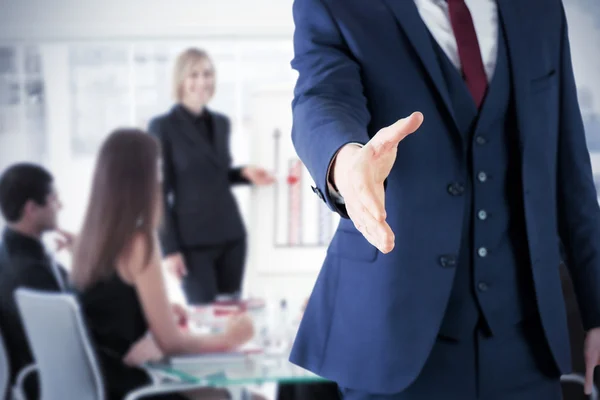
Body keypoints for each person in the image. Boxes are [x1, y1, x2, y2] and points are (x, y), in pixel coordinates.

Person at [289, 0, 600, 399]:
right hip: (393, 339)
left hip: (526, 347)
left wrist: (596, 311)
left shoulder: (539, 8)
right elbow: (321, 99)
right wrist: (345, 163)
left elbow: (570, 168)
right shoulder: (335, 5)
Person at [71, 129, 255, 400]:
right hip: (135, 390)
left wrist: (154, 314)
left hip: (109, 384)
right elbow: (173, 344)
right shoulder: (138, 242)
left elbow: (109, 316)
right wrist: (231, 338)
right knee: (241, 395)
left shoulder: (90, 241)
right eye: (157, 169)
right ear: (141, 180)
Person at [149, 48, 275, 305]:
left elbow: (215, 175)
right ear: (180, 80)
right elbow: (157, 194)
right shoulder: (162, 127)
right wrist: (169, 250)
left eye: (207, 74)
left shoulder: (221, 123)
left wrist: (243, 174)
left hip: (231, 236)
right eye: (193, 75)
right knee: (205, 318)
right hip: (191, 243)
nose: (202, 81)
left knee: (231, 313)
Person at [0, 163, 72, 399]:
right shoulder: (32, 272)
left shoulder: (11, 255)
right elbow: (74, 333)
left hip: (28, 380)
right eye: (54, 200)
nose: (60, 206)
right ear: (31, 208)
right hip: (53, 380)